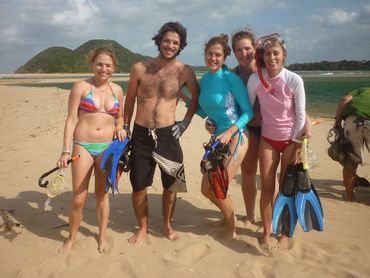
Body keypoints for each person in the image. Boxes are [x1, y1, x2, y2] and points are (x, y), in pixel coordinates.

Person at [206, 29, 312, 227]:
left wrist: (307, 122)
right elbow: (224, 105)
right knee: (248, 173)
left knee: (269, 181)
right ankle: (249, 215)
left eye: (247, 48)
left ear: (255, 49)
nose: (244, 53)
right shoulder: (233, 75)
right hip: (248, 129)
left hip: (273, 131)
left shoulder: (267, 69)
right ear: (234, 53)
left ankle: (270, 218)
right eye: (239, 50)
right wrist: (211, 121)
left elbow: (291, 101)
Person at [123, 22, 199, 244]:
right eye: (167, 40)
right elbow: (130, 100)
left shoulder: (185, 71)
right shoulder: (140, 68)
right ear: (159, 41)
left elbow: (196, 97)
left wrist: (185, 122)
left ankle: (167, 225)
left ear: (181, 45)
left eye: (176, 42)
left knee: (172, 183)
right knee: (138, 184)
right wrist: (125, 127)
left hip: (168, 134)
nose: (171, 45)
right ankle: (143, 227)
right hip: (141, 133)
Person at [57, 46, 125, 253]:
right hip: (83, 146)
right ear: (93, 65)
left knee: (101, 195)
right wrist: (65, 151)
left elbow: (119, 117)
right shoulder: (80, 87)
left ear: (113, 68)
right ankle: (71, 237)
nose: (103, 69)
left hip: (107, 148)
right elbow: (70, 120)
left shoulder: (118, 90)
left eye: (108, 65)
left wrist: (121, 128)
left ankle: (102, 236)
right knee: (79, 197)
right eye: (100, 64)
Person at [247, 33, 306, 250]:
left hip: (291, 140)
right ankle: (266, 231)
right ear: (262, 57)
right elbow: (248, 108)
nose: (272, 58)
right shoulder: (255, 79)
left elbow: (300, 114)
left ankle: (285, 233)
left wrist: (298, 143)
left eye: (276, 53)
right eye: (268, 54)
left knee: (286, 190)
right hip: (268, 139)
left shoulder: (294, 79)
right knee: (267, 188)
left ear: (283, 55)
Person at [198, 34, 254, 240]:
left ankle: (231, 229)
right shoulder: (205, 79)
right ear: (205, 55)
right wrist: (182, 96)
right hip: (217, 138)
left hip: (236, 136)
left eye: (218, 55)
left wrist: (230, 131)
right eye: (210, 54)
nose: (213, 58)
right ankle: (226, 214)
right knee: (206, 189)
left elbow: (248, 112)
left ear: (224, 57)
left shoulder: (231, 79)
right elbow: (205, 111)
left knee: (219, 186)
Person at [334, 87, 370, 201]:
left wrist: (337, 121)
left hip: (353, 122)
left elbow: (345, 99)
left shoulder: (362, 90)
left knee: (350, 162)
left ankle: (350, 197)